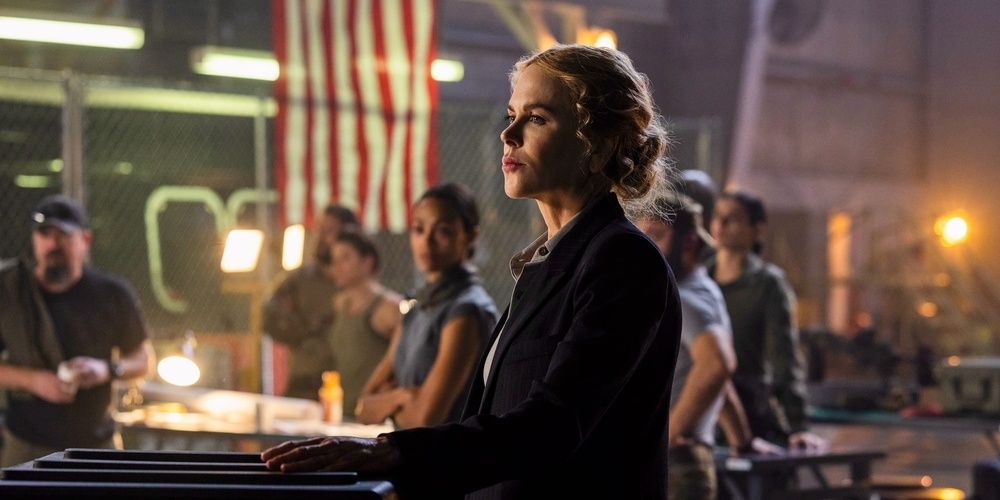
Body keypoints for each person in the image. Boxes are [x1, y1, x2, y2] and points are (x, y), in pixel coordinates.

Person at [262, 44, 683, 500]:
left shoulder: (622, 259)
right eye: (511, 114)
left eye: (537, 118)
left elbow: (553, 425)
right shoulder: (545, 265)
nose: (508, 134)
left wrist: (390, 452)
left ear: (598, 146)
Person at [0, 195, 154, 466]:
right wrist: (35, 381)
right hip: (26, 444)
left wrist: (106, 369)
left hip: (95, 445)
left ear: (85, 240)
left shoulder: (112, 294)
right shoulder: (11, 292)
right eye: (45, 234)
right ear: (34, 239)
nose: (53, 244)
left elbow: (144, 360)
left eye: (63, 235)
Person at [354, 183, 498, 429]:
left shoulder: (466, 312)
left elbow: (424, 419)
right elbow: (363, 408)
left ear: (469, 236)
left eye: (443, 231)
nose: (427, 241)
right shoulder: (415, 308)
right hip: (406, 449)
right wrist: (401, 396)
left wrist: (388, 404)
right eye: (419, 229)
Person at [635, 194, 736, 500]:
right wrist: (741, 438)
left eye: (657, 235)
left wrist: (666, 435)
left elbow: (716, 366)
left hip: (676, 463)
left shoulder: (684, 297)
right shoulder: (703, 289)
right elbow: (714, 375)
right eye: (642, 237)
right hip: (684, 460)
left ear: (689, 242)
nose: (647, 247)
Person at [706, 191, 825, 450]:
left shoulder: (768, 284)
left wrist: (797, 425)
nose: (721, 224)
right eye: (717, 216)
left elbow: (784, 357)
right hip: (697, 410)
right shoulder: (698, 277)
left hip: (747, 412)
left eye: (733, 218)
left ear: (756, 229)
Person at [264, 204, 358, 399]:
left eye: (329, 231)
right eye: (318, 230)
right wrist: (308, 326)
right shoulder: (299, 281)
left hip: (350, 385)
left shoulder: (359, 283)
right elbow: (269, 318)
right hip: (305, 382)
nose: (320, 237)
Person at [326, 230, 402, 416]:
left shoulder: (389, 308)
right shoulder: (339, 304)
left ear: (367, 262)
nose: (336, 266)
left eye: (345, 258)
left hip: (374, 415)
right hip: (343, 410)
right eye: (334, 259)